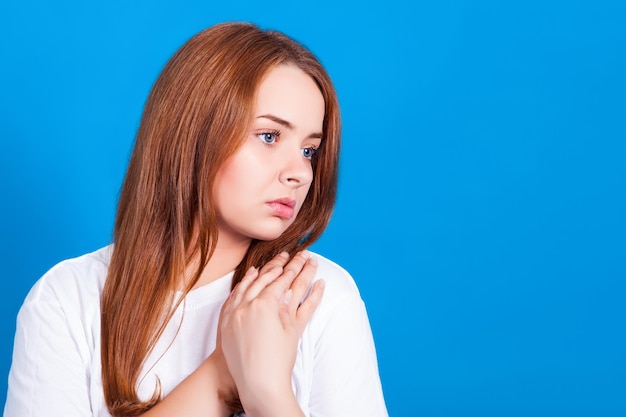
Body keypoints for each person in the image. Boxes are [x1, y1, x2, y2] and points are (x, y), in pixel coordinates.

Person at [4, 22, 388, 417]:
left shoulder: (318, 298)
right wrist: (221, 376)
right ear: (193, 134)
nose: (301, 173)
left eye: (310, 150)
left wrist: (268, 393)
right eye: (270, 136)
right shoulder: (67, 300)